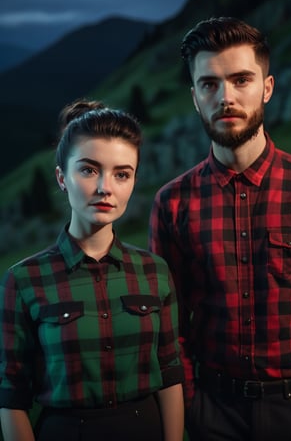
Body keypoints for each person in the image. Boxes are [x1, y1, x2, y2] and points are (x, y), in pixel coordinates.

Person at [148, 16, 291, 441]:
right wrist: (192, 406)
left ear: (268, 87)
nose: (225, 96)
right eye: (209, 84)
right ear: (194, 97)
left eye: (241, 79)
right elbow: (170, 327)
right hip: (212, 412)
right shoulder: (172, 204)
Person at [0, 99, 184, 441]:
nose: (105, 188)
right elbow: (12, 394)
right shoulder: (23, 280)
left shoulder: (154, 271)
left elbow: (170, 373)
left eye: (122, 174)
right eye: (88, 170)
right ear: (61, 177)